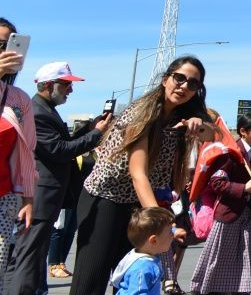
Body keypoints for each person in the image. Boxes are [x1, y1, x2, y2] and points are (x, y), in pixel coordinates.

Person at [69, 56, 214, 295]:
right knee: (92, 277)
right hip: (105, 198)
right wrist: (161, 222)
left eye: (192, 84)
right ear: (166, 79)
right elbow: (138, 174)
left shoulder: (182, 116)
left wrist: (199, 125)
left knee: (133, 277)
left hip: (136, 202)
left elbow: (212, 135)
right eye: (179, 78)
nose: (184, 86)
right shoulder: (141, 114)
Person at [8, 61, 109, 295]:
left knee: (34, 253)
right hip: (41, 195)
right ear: (49, 85)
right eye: (65, 85)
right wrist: (96, 135)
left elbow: (60, 144)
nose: (70, 90)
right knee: (29, 255)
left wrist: (89, 130)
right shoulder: (37, 112)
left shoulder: (44, 109)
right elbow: (58, 150)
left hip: (46, 195)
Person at [188, 114, 251, 295]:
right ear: (242, 131)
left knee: (249, 253)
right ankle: (206, 287)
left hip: (248, 212)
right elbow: (216, 182)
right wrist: (244, 188)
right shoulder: (230, 152)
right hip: (229, 212)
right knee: (219, 255)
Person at [0, 18, 38, 292]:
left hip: (4, 198)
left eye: (9, 45)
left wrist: (27, 198)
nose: (5, 51)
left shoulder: (18, 99)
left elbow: (27, 152)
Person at [48, 125, 93, 281]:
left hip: (81, 198)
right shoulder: (74, 152)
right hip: (67, 196)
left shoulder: (94, 153)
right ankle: (53, 264)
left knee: (70, 231)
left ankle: (62, 262)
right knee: (59, 230)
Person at [108, 207, 174, 295]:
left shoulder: (148, 259)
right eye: (170, 231)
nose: (173, 234)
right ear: (153, 240)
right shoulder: (142, 268)